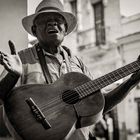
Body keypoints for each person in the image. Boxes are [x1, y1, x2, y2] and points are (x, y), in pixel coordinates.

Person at [0, 0, 140, 140]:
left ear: (65, 29)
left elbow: (101, 104)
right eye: (44, 20)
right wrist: (13, 76)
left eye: (57, 20)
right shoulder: (21, 59)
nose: (52, 23)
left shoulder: (77, 63)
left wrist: (131, 82)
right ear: (34, 30)